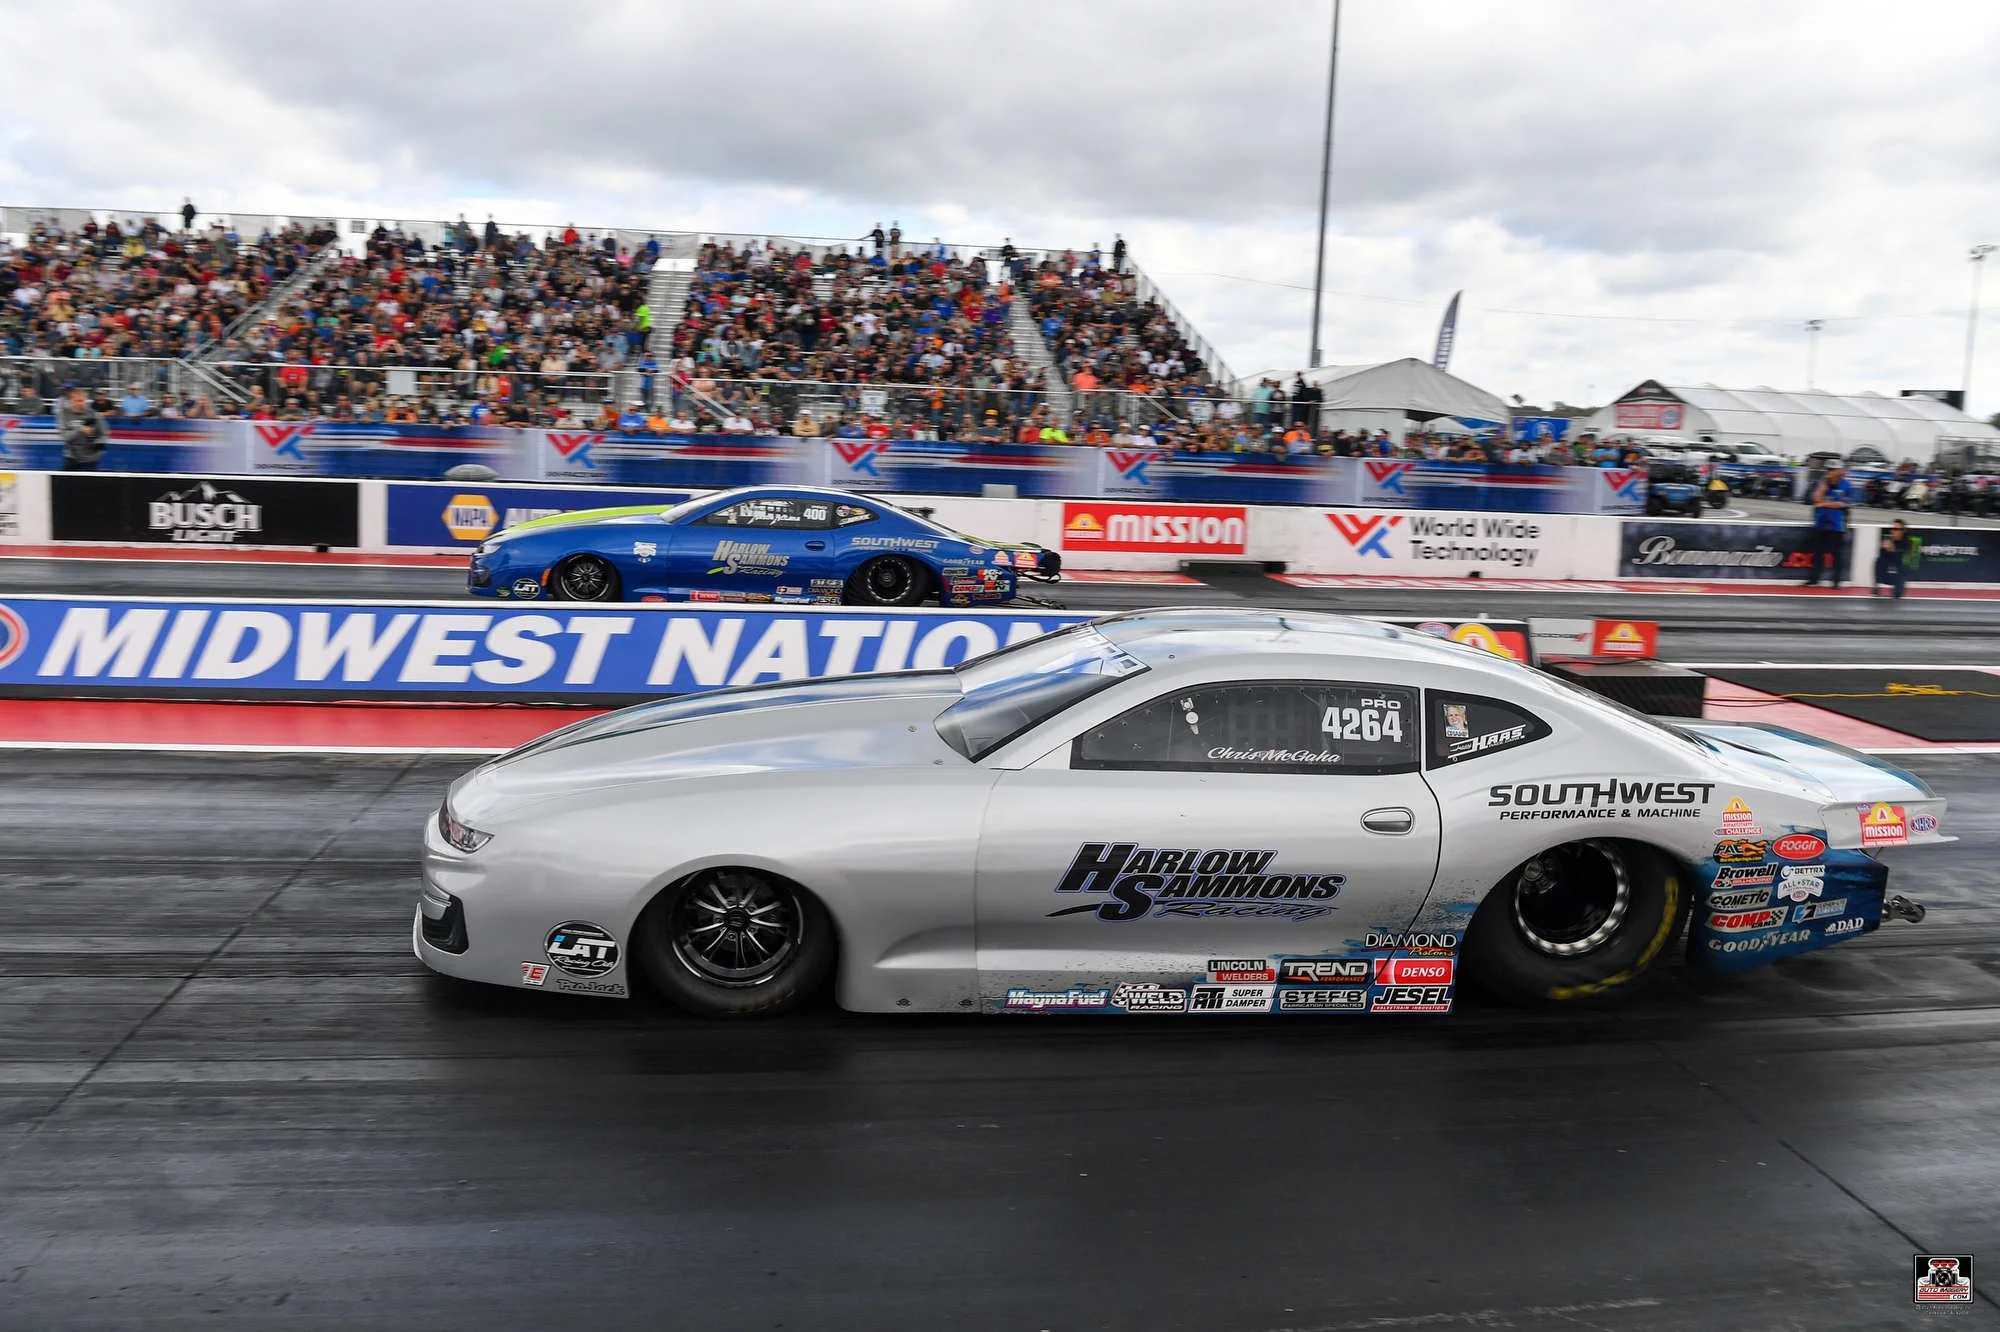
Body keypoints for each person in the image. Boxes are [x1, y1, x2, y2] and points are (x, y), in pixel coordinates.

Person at [1805, 465, 1853, 587]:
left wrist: (1824, 504)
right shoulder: (1821, 483)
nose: (1830, 472)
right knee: (1817, 553)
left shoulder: (1846, 485)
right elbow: (1816, 500)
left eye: (1833, 470)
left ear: (1839, 471)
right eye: (1828, 470)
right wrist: (1824, 486)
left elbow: (1843, 504)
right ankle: (1814, 579)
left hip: (1837, 525)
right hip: (1821, 523)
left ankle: (1836, 581)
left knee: (1836, 554)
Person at [57, 386, 108, 470]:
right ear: (71, 400)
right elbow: (65, 437)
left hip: (91, 459)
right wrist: (80, 429)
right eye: (77, 401)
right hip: (71, 458)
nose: (80, 403)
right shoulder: (63, 414)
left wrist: (98, 444)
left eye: (82, 400)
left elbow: (104, 434)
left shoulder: (94, 414)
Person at [1874, 518, 1916, 599]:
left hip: (1900, 572)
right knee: (1878, 561)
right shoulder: (1888, 540)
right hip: (1887, 571)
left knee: (1897, 595)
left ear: (1903, 531)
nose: (1894, 531)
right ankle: (1876, 586)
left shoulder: (1908, 543)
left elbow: (1904, 560)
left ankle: (1898, 589)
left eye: (1897, 529)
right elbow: (1882, 559)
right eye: (1893, 529)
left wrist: (1893, 550)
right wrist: (1884, 549)